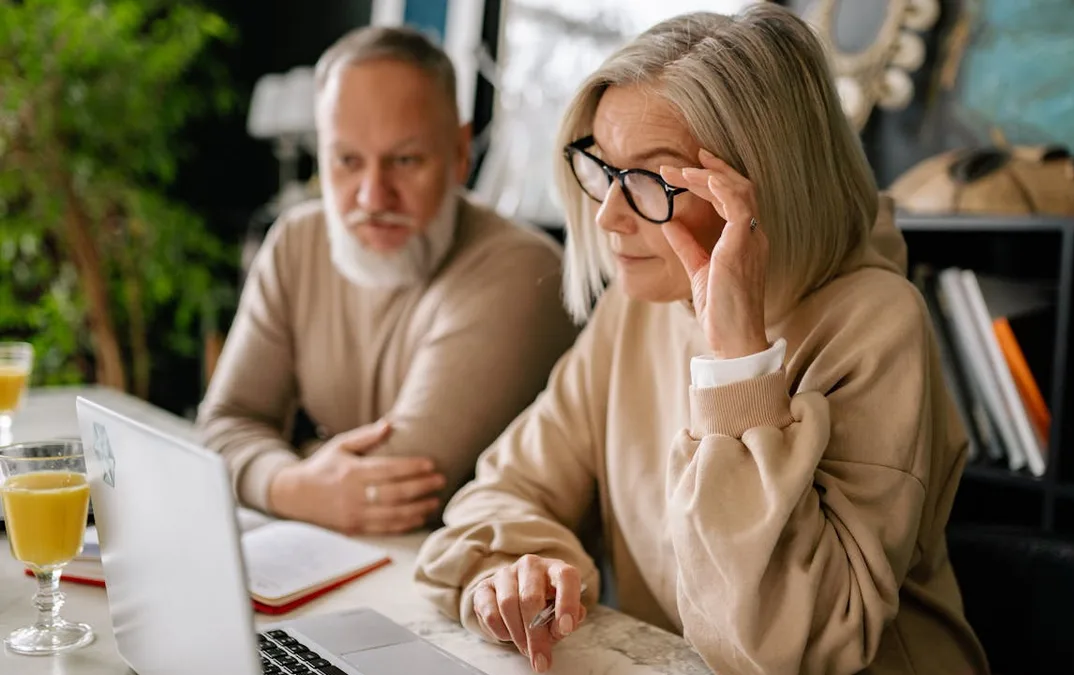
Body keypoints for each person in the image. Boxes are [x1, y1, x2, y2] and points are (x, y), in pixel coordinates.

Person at [412, 5, 991, 675]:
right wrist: (519, 567)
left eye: (653, 179)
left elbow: (791, 646)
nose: (608, 214)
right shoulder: (638, 311)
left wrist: (739, 361)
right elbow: (502, 492)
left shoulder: (878, 324)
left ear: (765, 189)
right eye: (602, 167)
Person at [197, 26, 578, 537]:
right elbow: (221, 425)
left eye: (405, 160)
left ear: (460, 154)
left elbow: (399, 495)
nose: (373, 197)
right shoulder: (296, 241)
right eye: (347, 161)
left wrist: (282, 467)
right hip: (351, 565)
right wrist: (292, 484)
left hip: (480, 587)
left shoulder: (523, 270)